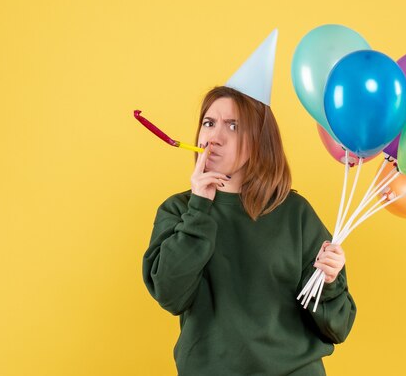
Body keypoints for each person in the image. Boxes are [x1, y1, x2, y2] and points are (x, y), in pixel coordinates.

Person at [141, 30, 356, 376]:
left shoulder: (295, 214)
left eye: (233, 125)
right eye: (209, 123)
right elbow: (170, 294)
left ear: (258, 140)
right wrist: (199, 208)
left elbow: (338, 326)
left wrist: (330, 281)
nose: (214, 136)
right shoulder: (178, 211)